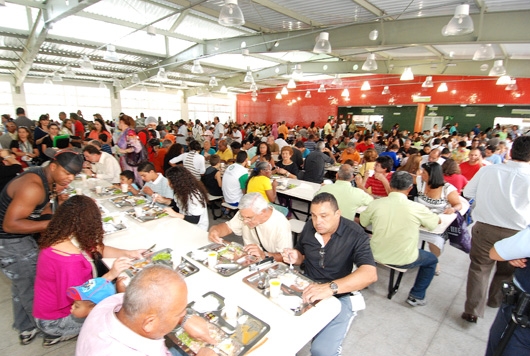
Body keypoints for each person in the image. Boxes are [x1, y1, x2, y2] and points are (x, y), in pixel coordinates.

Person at [0, 149, 84, 345]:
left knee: (21, 284)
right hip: (10, 242)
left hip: (18, 238)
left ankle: (25, 327)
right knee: (30, 285)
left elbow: (42, 208)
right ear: (53, 166)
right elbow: (10, 224)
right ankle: (50, 330)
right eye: (66, 173)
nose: (70, 178)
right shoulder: (33, 187)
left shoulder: (45, 178)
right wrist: (53, 224)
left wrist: (54, 216)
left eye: (74, 175)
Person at [33, 195, 137, 346]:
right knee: (121, 316)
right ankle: (62, 334)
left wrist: (129, 253)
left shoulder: (61, 237)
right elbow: (81, 301)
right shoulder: (70, 260)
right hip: (56, 319)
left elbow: (97, 249)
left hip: (47, 308)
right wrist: (111, 275)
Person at [282, 193, 377, 355]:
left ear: (337, 214)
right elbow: (301, 254)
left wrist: (330, 287)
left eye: (324, 216)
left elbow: (370, 274)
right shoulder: (309, 227)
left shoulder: (355, 234)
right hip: (307, 286)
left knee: (322, 351)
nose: (318, 222)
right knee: (283, 336)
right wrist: (296, 256)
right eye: (314, 215)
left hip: (340, 294)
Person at [461, 136, 530, 323]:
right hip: (517, 233)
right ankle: (495, 300)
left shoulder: (488, 171)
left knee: (479, 268)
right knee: (506, 271)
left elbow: (467, 193)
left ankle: (472, 310)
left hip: (485, 228)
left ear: (510, 151)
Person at [76, 265, 217, 356]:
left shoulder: (108, 304)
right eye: (180, 312)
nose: (185, 314)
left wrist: (183, 319)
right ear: (149, 323)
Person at [360, 172, 440, 306]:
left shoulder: (377, 204)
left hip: (374, 252)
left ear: (390, 185)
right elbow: (433, 223)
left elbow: (363, 221)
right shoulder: (418, 208)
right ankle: (417, 296)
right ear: (410, 188)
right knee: (432, 260)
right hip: (403, 259)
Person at [486, 226, 530, 356]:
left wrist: (517, 253)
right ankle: (493, 301)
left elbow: (496, 252)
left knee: (500, 347)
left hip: (522, 318)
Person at [209, 193, 292, 262]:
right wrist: (215, 230)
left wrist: (264, 255)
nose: (244, 221)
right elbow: (228, 227)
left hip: (270, 264)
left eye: (249, 218)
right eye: (243, 217)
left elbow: (286, 257)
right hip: (248, 259)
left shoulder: (281, 224)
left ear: (262, 212)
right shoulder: (245, 213)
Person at [155, 166, 209, 231]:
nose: (167, 184)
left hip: (197, 228)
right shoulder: (181, 190)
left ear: (177, 182)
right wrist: (165, 201)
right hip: (185, 222)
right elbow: (178, 205)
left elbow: (195, 219)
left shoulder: (194, 195)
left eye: (169, 181)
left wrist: (175, 214)